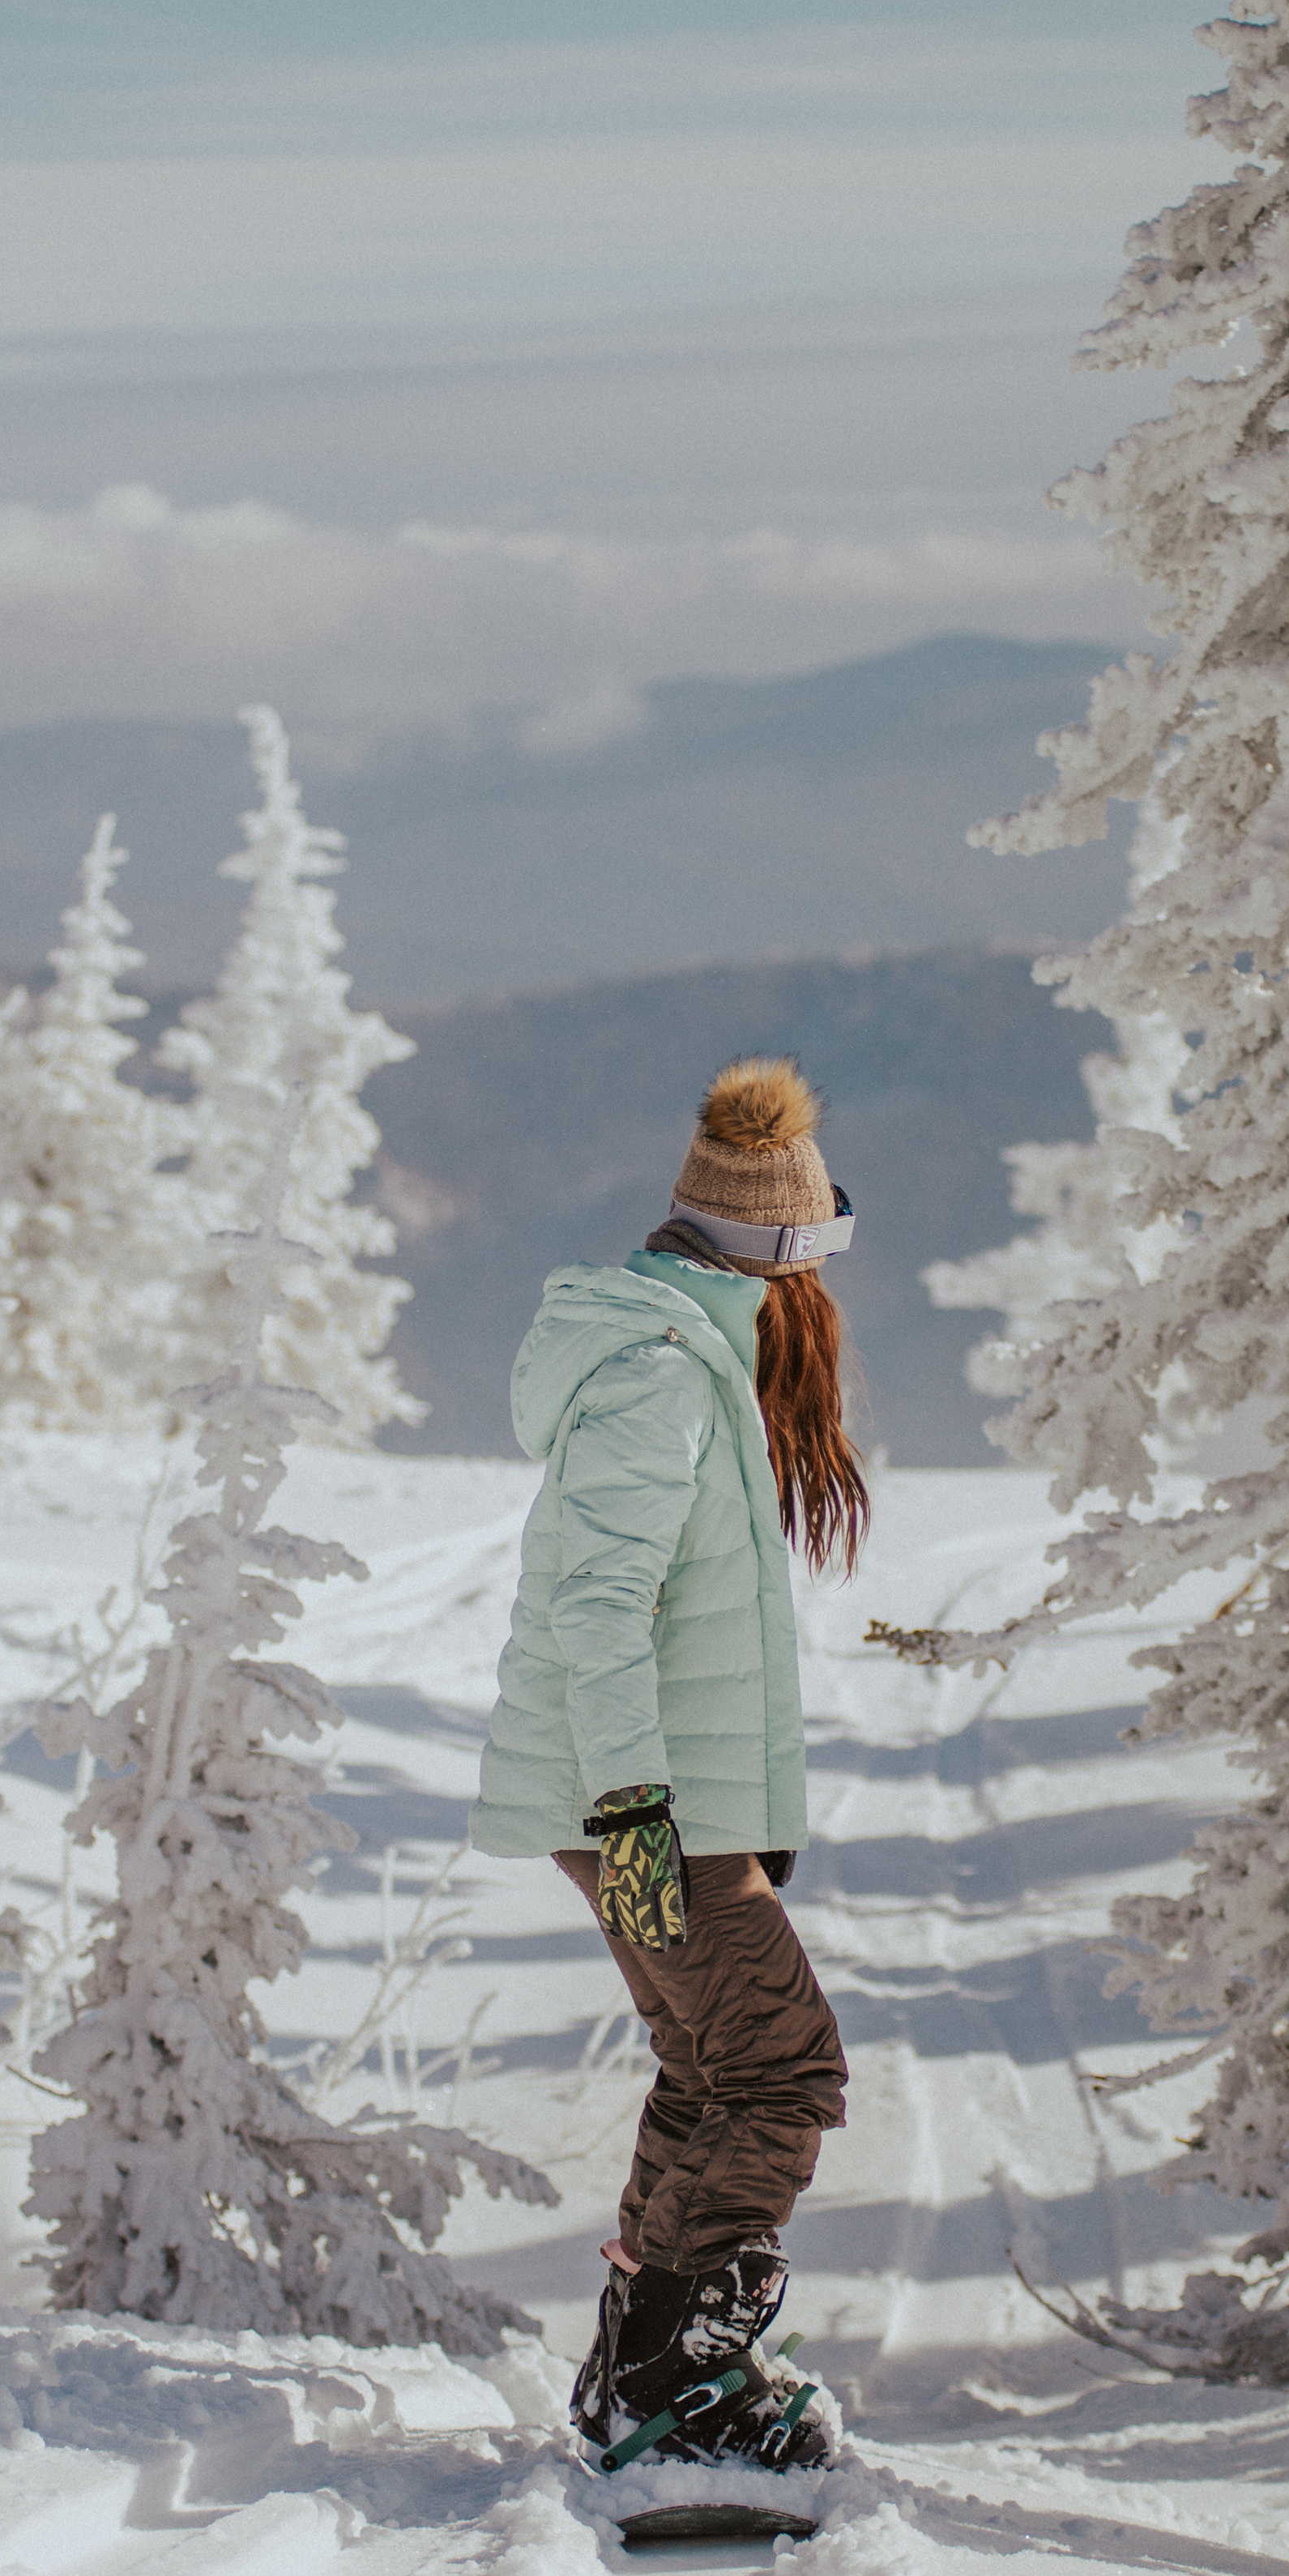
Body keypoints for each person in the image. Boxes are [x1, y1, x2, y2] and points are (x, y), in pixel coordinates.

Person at [470, 1056, 868, 2470]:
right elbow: (598, 1610)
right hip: (642, 1805)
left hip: (666, 1807)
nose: (822, 1287)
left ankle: (645, 2365)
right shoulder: (660, 1379)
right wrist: (643, 1811)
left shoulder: (690, 1362)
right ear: (773, 1252)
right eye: (816, 1250)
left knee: (713, 2067)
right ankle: (678, 2375)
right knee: (781, 2068)